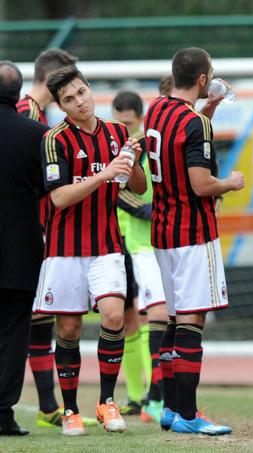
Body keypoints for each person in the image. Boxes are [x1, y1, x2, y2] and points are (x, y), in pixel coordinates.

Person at [32, 66, 146, 436]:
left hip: (106, 246)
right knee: (68, 327)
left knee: (114, 316)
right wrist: (103, 174)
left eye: (82, 92)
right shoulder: (55, 139)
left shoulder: (117, 132)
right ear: (62, 106)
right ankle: (69, 409)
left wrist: (132, 163)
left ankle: (108, 402)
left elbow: (139, 187)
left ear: (89, 89)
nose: (80, 101)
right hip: (64, 249)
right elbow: (60, 197)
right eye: (70, 99)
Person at [145, 47, 243, 435]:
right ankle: (188, 414)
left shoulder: (157, 109)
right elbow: (201, 184)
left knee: (173, 318)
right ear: (202, 79)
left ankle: (170, 409)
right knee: (192, 320)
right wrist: (230, 184)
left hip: (163, 231)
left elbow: (182, 136)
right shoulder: (193, 124)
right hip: (192, 232)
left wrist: (212, 106)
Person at [15, 48, 90, 429]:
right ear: (54, 79)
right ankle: (47, 405)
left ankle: (48, 407)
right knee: (36, 317)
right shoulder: (29, 115)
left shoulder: (35, 113)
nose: (75, 95)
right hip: (35, 229)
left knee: (40, 318)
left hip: (37, 229)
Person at [113, 90, 168, 423]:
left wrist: (152, 211)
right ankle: (136, 396)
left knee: (153, 316)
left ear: (140, 119)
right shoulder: (117, 150)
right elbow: (116, 192)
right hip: (121, 243)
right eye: (119, 123)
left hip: (145, 244)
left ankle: (154, 393)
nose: (125, 129)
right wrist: (146, 209)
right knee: (128, 318)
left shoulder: (147, 148)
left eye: (129, 123)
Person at [0, 61, 49, 436]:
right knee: (14, 334)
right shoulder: (37, 134)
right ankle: (2, 414)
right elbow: (49, 189)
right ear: (19, 96)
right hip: (20, 250)